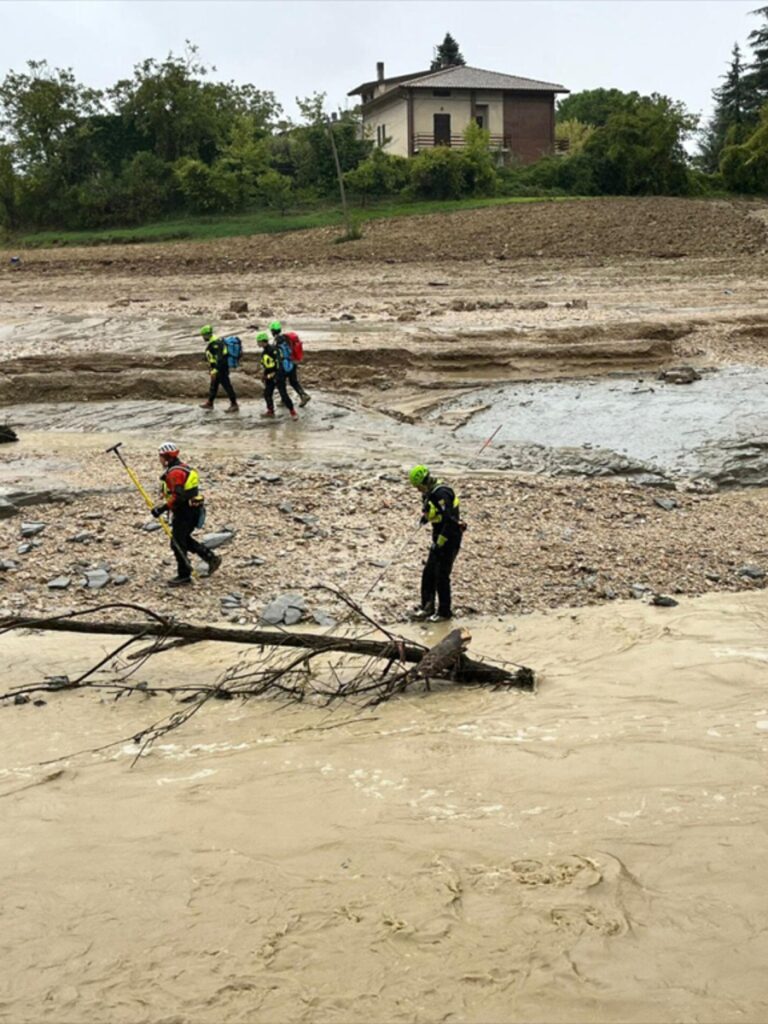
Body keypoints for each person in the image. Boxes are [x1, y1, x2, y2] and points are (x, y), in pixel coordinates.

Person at [151, 441, 222, 587]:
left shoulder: (175, 473)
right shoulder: (183, 468)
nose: (159, 460)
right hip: (192, 510)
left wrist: (161, 509)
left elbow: (178, 496)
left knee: (177, 543)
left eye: (160, 457)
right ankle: (210, 558)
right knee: (182, 539)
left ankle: (184, 575)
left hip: (185, 512)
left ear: (166, 457)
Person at [408, 464, 463, 622]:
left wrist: (441, 541)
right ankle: (427, 606)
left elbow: (450, 520)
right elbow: (433, 511)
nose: (418, 490)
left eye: (418, 486)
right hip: (438, 534)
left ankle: (444, 612)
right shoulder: (428, 494)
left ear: (424, 481)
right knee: (429, 572)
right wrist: (425, 518)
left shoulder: (442, 493)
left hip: (450, 536)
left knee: (442, 575)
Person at [256, 331, 297, 419]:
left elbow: (279, 364)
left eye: (258, 342)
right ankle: (270, 411)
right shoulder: (264, 352)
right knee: (267, 393)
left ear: (263, 341)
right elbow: (266, 366)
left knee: (283, 394)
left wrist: (276, 375)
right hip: (269, 375)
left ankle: (293, 412)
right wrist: (264, 375)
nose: (257, 344)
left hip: (278, 375)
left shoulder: (273, 350)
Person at [270, 320, 310, 407]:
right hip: (292, 362)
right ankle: (303, 395)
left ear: (272, 331)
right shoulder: (287, 338)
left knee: (281, 383)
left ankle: (284, 400)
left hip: (283, 365)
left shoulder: (277, 341)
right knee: (293, 381)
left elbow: (276, 355)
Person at [199, 325, 239, 413]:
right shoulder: (213, 342)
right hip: (216, 368)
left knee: (227, 386)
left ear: (207, 335)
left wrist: (215, 370)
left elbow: (220, 358)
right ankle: (210, 403)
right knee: (214, 386)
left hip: (221, 369)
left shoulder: (216, 344)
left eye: (203, 336)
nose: (202, 338)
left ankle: (234, 404)